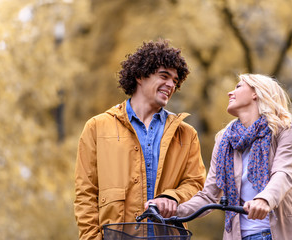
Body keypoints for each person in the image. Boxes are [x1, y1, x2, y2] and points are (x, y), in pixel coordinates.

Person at [74, 39, 206, 240]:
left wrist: (173, 196)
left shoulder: (186, 134)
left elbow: (197, 184)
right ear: (139, 76)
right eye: (164, 76)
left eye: (175, 80)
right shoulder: (96, 127)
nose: (171, 84)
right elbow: (85, 194)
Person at [171, 74, 292, 240]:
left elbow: (283, 174)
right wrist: (173, 209)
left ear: (256, 93)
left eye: (238, 87)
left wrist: (264, 200)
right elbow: (209, 195)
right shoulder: (224, 140)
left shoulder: (282, 130)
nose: (229, 93)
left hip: (280, 234)